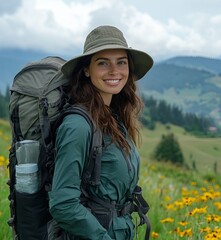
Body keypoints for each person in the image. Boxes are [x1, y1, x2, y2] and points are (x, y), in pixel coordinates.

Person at [48, 25, 153, 240]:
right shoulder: (77, 126)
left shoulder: (114, 118)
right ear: (87, 70)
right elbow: (63, 204)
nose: (114, 71)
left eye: (121, 62)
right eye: (103, 63)